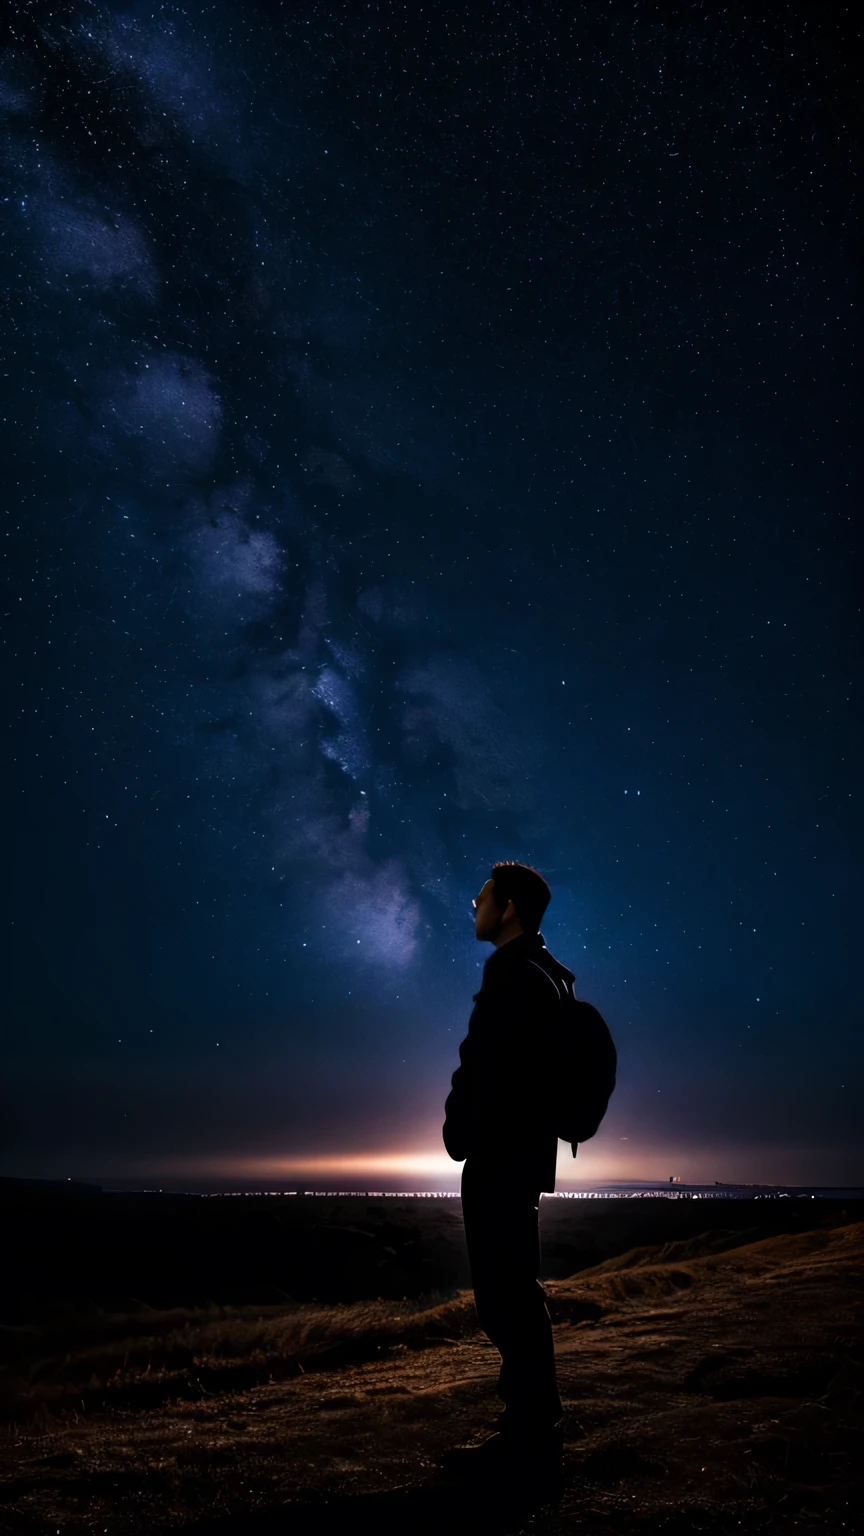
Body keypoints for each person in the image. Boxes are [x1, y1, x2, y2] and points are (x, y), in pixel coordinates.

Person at [440, 860, 574, 1492]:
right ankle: (530, 1423)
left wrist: (461, 1129)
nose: (475, 904)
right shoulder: (544, 973)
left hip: (501, 1156)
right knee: (514, 1291)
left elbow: (492, 1069)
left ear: (510, 908)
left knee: (506, 1296)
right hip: (520, 1156)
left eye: (484, 895)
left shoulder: (516, 973)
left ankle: (529, 1434)